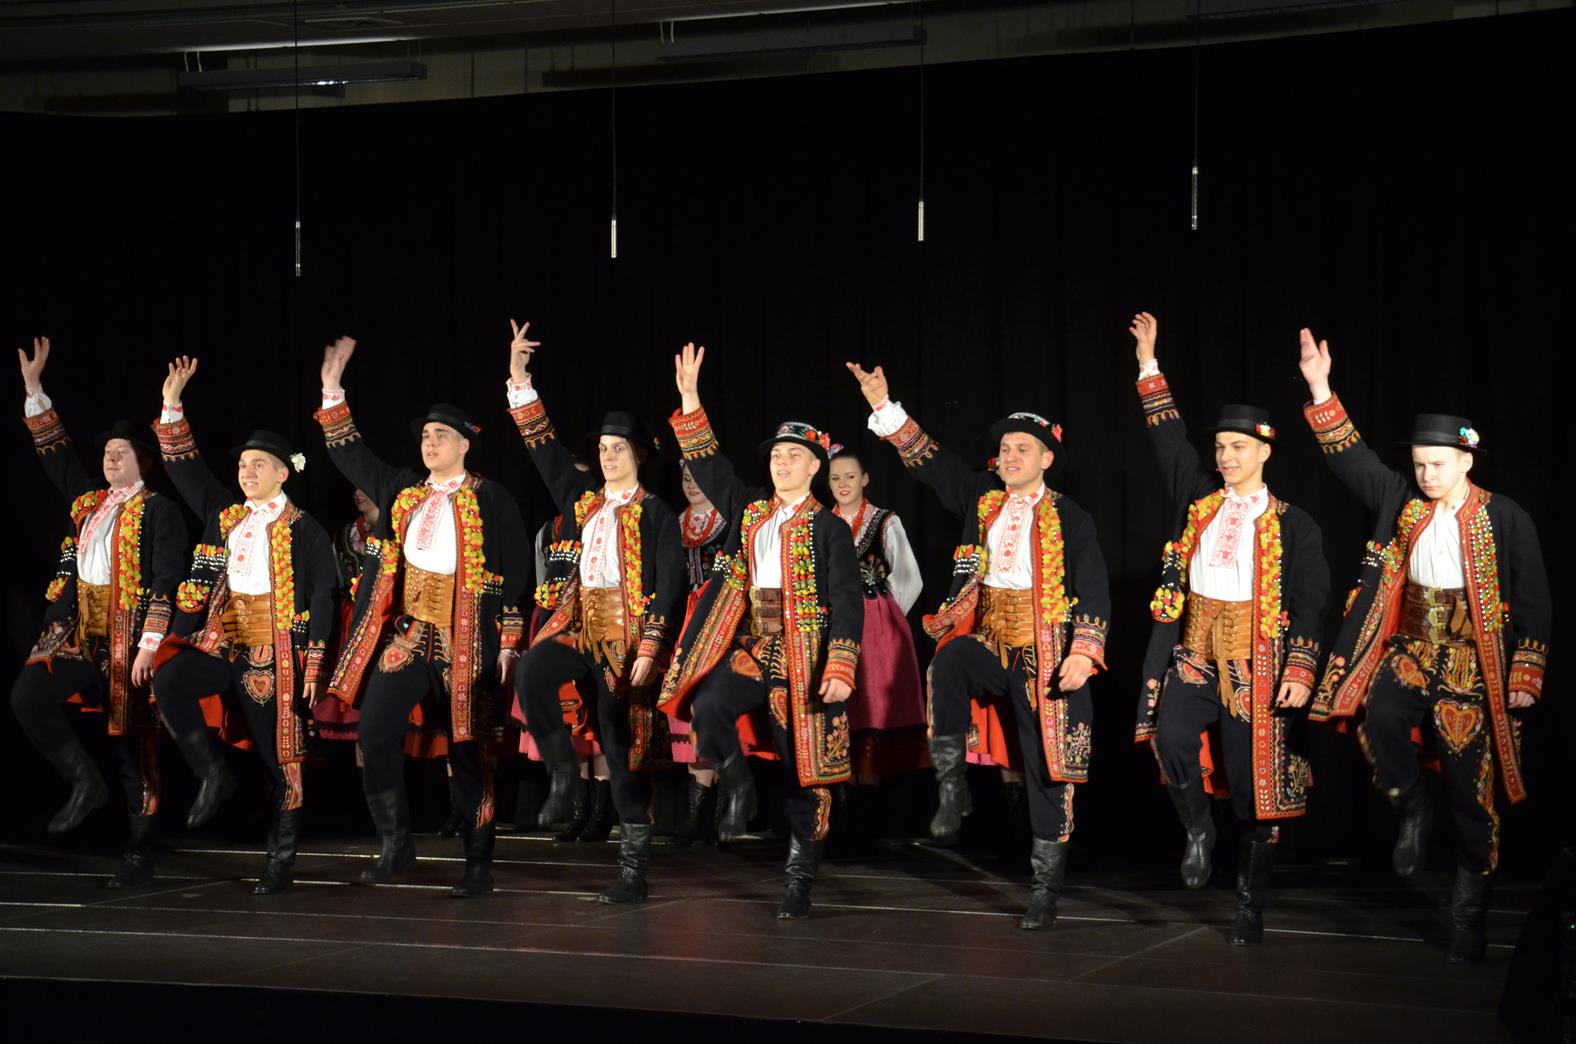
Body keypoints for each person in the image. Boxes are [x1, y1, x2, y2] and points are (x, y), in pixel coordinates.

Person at [1297, 327, 1549, 963]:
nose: (1427, 474)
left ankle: (1469, 916)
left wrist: (1525, 672)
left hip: (1471, 662)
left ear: (1467, 461)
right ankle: (1411, 807)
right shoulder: (1402, 501)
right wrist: (1321, 388)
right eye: (1419, 464)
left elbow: (1535, 600)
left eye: (1438, 464)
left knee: (1471, 794)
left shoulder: (1505, 516)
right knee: (1377, 717)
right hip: (1410, 648)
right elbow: (1350, 458)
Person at [847, 359, 1110, 930]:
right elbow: (930, 462)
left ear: (1046, 459)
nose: (1010, 456)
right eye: (1005, 449)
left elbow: (1093, 587)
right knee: (949, 659)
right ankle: (952, 787)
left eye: (1022, 449)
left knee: (1046, 770)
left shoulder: (1072, 518)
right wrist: (883, 406)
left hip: (1046, 656)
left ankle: (1044, 888)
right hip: (991, 642)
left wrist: (1084, 652)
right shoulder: (983, 500)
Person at [1130, 312, 1329, 944]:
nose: (1225, 457)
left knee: (1251, 789)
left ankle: (1250, 902)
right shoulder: (1199, 500)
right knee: (1171, 739)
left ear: (1264, 451)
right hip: (1194, 653)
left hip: (1254, 663)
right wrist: (1148, 363)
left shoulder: (1295, 523)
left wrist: (1300, 670)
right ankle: (1197, 828)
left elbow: (1312, 601)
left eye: (1237, 447)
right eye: (1220, 448)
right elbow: (1169, 439)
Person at [316, 335, 529, 898]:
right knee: (374, 731)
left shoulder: (493, 498)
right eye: (426, 436)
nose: (430, 443)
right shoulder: (402, 490)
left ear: (464, 444)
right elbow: (351, 456)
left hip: (470, 640)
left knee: (468, 748)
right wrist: (332, 389)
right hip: (411, 635)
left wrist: (509, 644)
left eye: (441, 436)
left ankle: (478, 860)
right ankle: (396, 845)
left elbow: (515, 577)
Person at [663, 342, 864, 919]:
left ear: (814, 466)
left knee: (805, 772)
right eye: (777, 454)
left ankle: (799, 879)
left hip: (808, 655)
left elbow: (847, 601)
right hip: (755, 644)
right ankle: (737, 782)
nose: (781, 463)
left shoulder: (830, 528)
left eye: (793, 456)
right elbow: (711, 468)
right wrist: (690, 399)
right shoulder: (751, 511)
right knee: (708, 704)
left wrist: (841, 665)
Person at [507, 321, 684, 904]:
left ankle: (633, 871)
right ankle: (561, 770)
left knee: (619, 749)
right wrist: (519, 379)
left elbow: (669, 584)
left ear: (638, 455)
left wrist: (651, 647)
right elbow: (543, 451)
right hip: (580, 626)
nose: (608, 457)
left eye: (618, 449)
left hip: (627, 642)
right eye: (603, 449)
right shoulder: (582, 501)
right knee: (534, 669)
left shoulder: (657, 513)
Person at [150, 356, 335, 895]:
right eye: (243, 465)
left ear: (283, 472)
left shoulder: (305, 529)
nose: (247, 473)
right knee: (170, 679)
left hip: (275, 656)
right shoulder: (225, 514)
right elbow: (187, 471)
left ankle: (280, 860)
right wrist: (172, 404)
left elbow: (322, 598)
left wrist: (313, 665)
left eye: (258, 465)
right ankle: (212, 773)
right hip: (221, 642)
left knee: (282, 762)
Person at [12, 337, 186, 887]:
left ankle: (139, 850)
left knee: (133, 744)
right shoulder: (88, 501)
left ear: (143, 463)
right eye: (107, 452)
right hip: (77, 631)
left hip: (128, 635)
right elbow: (58, 457)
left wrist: (150, 645)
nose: (110, 458)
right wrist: (34, 389)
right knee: (27, 696)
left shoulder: (159, 511)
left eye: (121, 453)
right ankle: (84, 781)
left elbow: (166, 582)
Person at [825, 447, 926, 841]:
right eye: (835, 478)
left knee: (873, 711)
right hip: (833, 627)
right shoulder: (822, 521)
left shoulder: (885, 521)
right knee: (842, 714)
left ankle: (868, 818)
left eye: (850, 476)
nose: (843, 484)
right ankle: (842, 816)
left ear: (865, 479)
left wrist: (884, 612)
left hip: (877, 630)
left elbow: (909, 577)